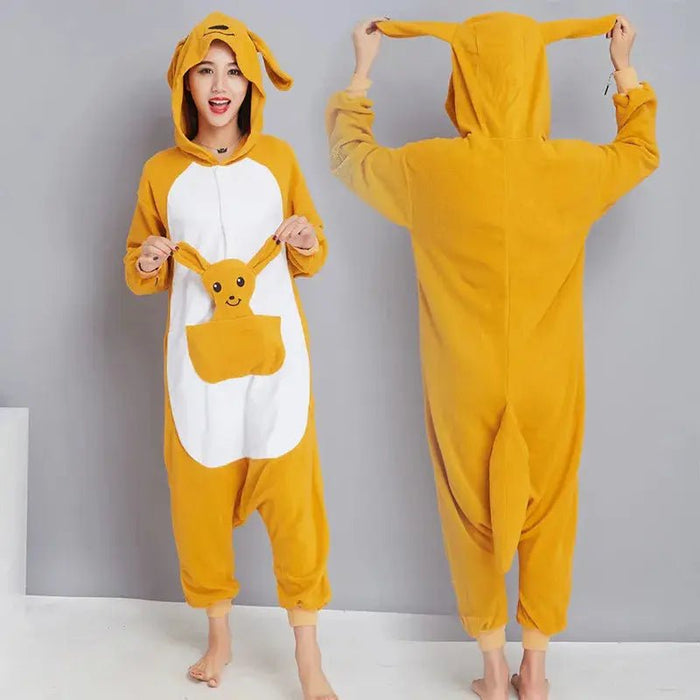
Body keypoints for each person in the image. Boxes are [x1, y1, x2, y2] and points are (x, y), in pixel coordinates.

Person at [326, 12, 658, 700]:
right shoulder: (572, 167)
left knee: (467, 508)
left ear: (464, 80)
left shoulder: (428, 168)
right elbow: (639, 151)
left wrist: (362, 71)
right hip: (548, 375)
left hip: (463, 379)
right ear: (535, 77)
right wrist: (623, 66)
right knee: (551, 508)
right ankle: (535, 669)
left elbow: (349, 155)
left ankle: (492, 668)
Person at [124, 12, 336, 699]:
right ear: (185, 82)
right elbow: (138, 267)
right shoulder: (160, 173)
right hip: (198, 368)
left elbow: (314, 251)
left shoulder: (279, 161)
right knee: (199, 501)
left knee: (296, 504)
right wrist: (150, 259)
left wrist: (305, 238)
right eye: (207, 70)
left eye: (235, 72)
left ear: (252, 85)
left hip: (277, 362)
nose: (221, 86)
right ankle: (219, 638)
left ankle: (308, 656)